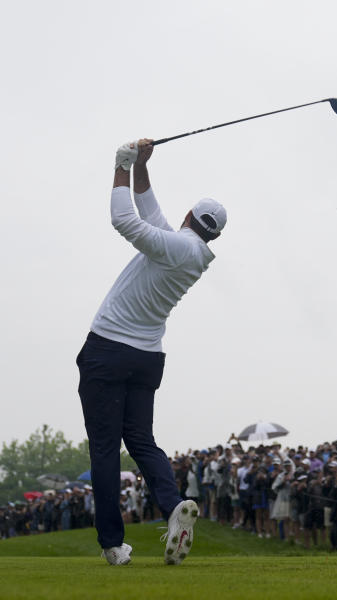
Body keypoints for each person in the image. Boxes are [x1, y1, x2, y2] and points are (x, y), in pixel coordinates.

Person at [77, 140, 226, 565]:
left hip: (108, 350)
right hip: (146, 359)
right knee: (141, 440)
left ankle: (112, 545)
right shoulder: (190, 250)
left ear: (188, 218)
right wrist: (142, 168)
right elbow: (148, 211)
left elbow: (123, 218)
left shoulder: (176, 246)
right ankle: (174, 506)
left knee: (105, 447)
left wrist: (121, 164)